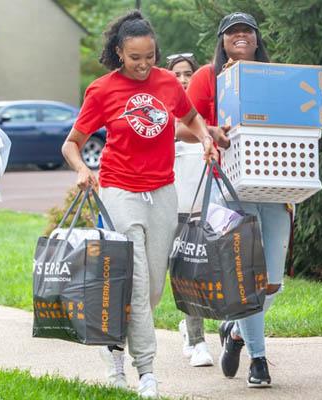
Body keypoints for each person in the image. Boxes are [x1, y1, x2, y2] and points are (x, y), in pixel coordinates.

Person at [61, 10, 218, 397]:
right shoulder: (102, 90)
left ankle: (113, 347)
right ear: (119, 52)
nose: (144, 65)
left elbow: (192, 117)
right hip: (119, 190)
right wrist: (82, 169)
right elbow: (71, 144)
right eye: (135, 58)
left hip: (163, 191)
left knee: (150, 290)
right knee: (134, 281)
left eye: (149, 56)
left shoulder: (167, 82)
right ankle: (145, 370)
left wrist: (206, 139)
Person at [175, 11, 289, 388]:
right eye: (232, 32)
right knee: (248, 279)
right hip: (230, 187)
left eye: (247, 31)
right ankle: (259, 359)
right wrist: (209, 133)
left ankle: (236, 331)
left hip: (275, 187)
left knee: (273, 282)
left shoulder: (275, 76)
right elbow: (180, 128)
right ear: (222, 41)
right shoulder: (209, 77)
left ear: (257, 39)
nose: (240, 36)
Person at [165, 52, 215, 368]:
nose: (183, 80)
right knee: (188, 274)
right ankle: (197, 342)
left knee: (208, 274)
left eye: (188, 74)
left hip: (207, 207)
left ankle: (189, 327)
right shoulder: (161, 116)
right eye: (177, 74)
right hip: (175, 208)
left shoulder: (203, 117)